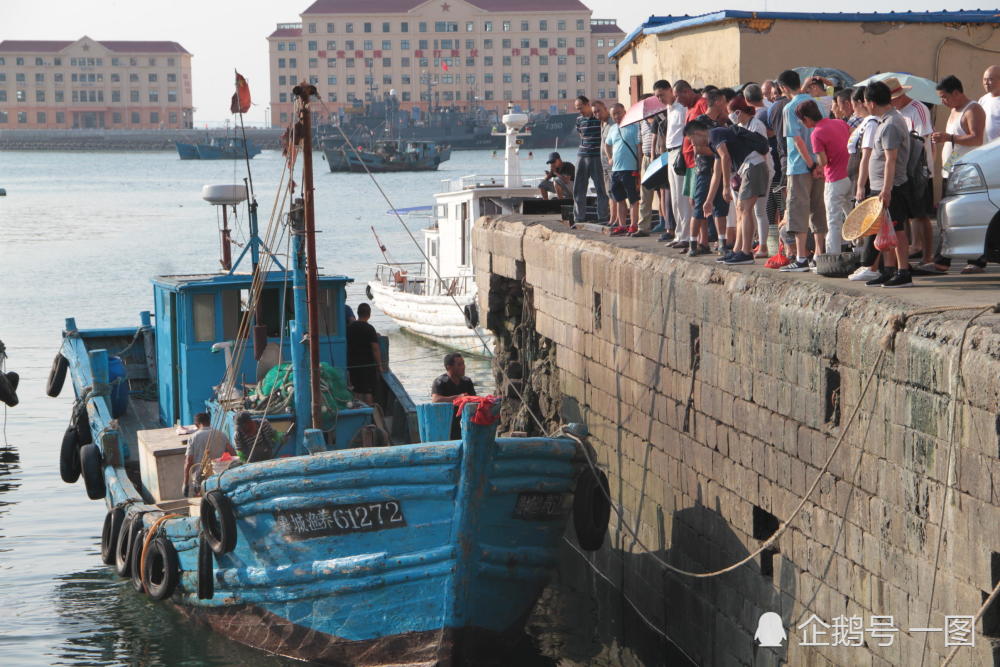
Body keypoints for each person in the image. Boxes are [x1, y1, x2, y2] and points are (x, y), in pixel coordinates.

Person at [926, 75, 986, 274]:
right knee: (947, 216)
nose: (943, 101)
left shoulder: (973, 109)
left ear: (957, 93)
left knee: (968, 214)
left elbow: (976, 138)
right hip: (950, 170)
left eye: (945, 97)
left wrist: (949, 137)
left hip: (967, 171)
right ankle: (943, 260)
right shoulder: (953, 110)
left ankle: (975, 260)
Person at [700, 103, 769, 265]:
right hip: (750, 168)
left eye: (692, 139)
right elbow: (717, 171)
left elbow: (725, 158)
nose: (694, 145)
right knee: (740, 209)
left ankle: (746, 252)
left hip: (753, 166)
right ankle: (738, 250)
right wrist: (709, 200)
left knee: (745, 210)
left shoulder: (715, 134)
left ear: (698, 132)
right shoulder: (716, 137)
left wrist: (725, 187)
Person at [862, 80, 914, 288]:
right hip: (882, 186)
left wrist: (886, 189)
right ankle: (889, 269)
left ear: (872, 103)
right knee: (884, 229)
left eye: (865, 102)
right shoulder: (886, 121)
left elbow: (891, 160)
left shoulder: (891, 124)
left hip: (892, 186)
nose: (865, 105)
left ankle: (904, 271)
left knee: (897, 229)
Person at [778, 69, 828, 273]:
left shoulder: (790, 108)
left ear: (783, 88)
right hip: (820, 162)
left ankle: (801, 257)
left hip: (800, 165)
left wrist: (809, 164)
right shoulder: (819, 103)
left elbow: (796, 139)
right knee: (818, 208)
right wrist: (819, 164)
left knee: (798, 210)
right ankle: (818, 254)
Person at [885, 77, 934, 266]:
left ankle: (927, 255)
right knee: (905, 215)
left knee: (922, 214)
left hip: (918, 169)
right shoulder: (896, 113)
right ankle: (913, 249)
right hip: (902, 170)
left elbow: (922, 140)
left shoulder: (918, 109)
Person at [797, 99, 851, 254]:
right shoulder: (839, 123)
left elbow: (823, 160)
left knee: (833, 220)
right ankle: (859, 248)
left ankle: (832, 255)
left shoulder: (816, 133)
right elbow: (852, 136)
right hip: (849, 176)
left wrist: (818, 166)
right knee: (852, 215)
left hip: (834, 179)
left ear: (806, 118)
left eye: (802, 120)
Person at [680, 81, 710, 255]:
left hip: (698, 159)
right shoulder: (689, 108)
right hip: (690, 160)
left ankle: (702, 241)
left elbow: (705, 128)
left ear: (687, 91)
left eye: (678, 95)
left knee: (697, 202)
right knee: (693, 201)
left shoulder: (701, 104)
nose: (678, 100)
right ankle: (700, 240)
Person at [661, 80, 691, 247]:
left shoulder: (681, 108)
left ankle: (686, 236)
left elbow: (686, 132)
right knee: (674, 197)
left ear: (670, 91)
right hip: (670, 152)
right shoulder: (669, 108)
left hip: (680, 151)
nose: (660, 99)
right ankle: (679, 234)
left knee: (682, 196)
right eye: (657, 96)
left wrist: (682, 152)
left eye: (662, 95)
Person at [605, 102, 642, 236]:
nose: (616, 116)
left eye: (618, 113)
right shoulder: (613, 129)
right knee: (619, 199)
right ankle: (622, 225)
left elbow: (639, 148)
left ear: (624, 112)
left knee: (633, 199)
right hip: (616, 170)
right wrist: (609, 157)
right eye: (613, 114)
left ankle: (633, 224)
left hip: (630, 168)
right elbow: (607, 144)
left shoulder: (634, 126)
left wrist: (638, 167)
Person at [572, 95, 610, 224]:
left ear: (588, 104)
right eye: (577, 109)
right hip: (582, 156)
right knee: (579, 188)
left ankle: (603, 217)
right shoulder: (579, 120)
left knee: (601, 188)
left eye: (581, 108)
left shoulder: (599, 118)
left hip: (597, 157)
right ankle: (578, 218)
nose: (579, 111)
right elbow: (581, 135)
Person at [184, 412, 236, 497]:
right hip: (220, 477)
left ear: (197, 424)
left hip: (201, 479)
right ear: (209, 422)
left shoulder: (193, 437)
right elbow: (233, 454)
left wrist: (185, 483)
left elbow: (188, 461)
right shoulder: (222, 434)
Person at [431, 352, 477, 439]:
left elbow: (474, 399)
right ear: (449, 367)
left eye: (463, 364)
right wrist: (458, 397)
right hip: (446, 424)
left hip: (464, 422)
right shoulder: (440, 382)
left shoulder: (467, 381)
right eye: (459, 365)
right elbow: (435, 400)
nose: (463, 367)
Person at [346, 302, 383, 404]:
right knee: (367, 391)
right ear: (369, 314)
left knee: (356, 390)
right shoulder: (370, 329)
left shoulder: (350, 328)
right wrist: (379, 365)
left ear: (357, 313)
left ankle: (358, 411)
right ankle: (370, 416)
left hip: (353, 364)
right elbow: (375, 349)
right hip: (367, 365)